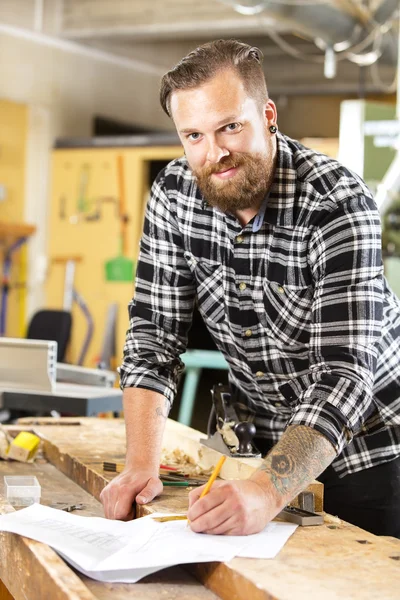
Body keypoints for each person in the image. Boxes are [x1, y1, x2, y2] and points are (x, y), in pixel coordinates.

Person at [100, 39, 400, 537]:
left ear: (268, 114)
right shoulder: (175, 196)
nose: (214, 153)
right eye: (193, 135)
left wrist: (264, 492)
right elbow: (153, 337)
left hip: (375, 452)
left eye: (230, 127)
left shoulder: (335, 203)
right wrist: (140, 464)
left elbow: (342, 376)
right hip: (273, 448)